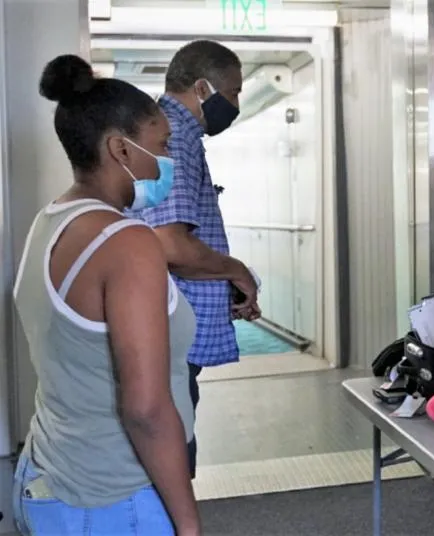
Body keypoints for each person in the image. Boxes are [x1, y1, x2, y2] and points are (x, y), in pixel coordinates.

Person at [12, 55, 199, 535]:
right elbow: (146, 410)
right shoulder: (125, 242)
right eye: (161, 145)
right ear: (121, 148)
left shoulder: (51, 220)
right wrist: (189, 524)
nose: (168, 161)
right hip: (114, 500)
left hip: (50, 472)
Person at [127, 39, 261, 479]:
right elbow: (172, 246)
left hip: (176, 322)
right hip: (171, 333)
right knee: (173, 443)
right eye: (235, 91)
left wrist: (225, 284)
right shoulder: (175, 138)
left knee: (176, 431)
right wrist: (236, 270)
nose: (236, 103)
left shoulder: (176, 135)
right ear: (203, 87)